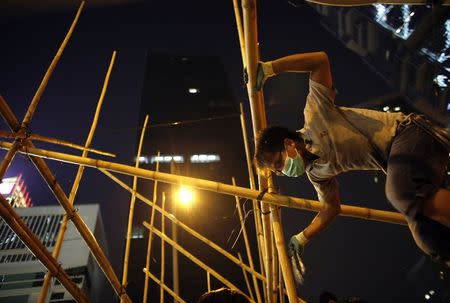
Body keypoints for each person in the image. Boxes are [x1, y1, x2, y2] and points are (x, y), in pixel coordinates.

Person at [253, 51, 450, 266]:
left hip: (409, 134)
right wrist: (303, 236)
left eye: (279, 163)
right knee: (429, 239)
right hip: (410, 163)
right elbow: (331, 207)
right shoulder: (317, 174)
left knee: (400, 193)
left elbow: (320, 61)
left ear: (288, 144)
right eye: (278, 171)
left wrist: (270, 68)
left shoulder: (315, 115)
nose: (283, 172)